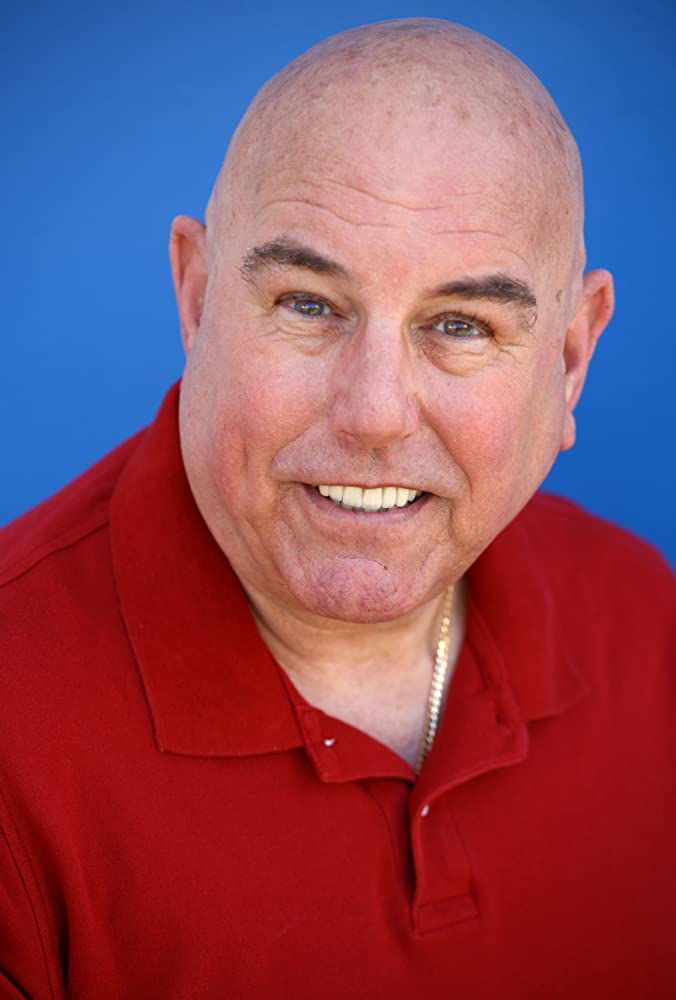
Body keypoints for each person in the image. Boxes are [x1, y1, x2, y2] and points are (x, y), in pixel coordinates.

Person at [1, 17, 674, 999]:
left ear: (569, 360)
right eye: (309, 304)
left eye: (460, 324)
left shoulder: (644, 620)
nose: (373, 414)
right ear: (197, 299)